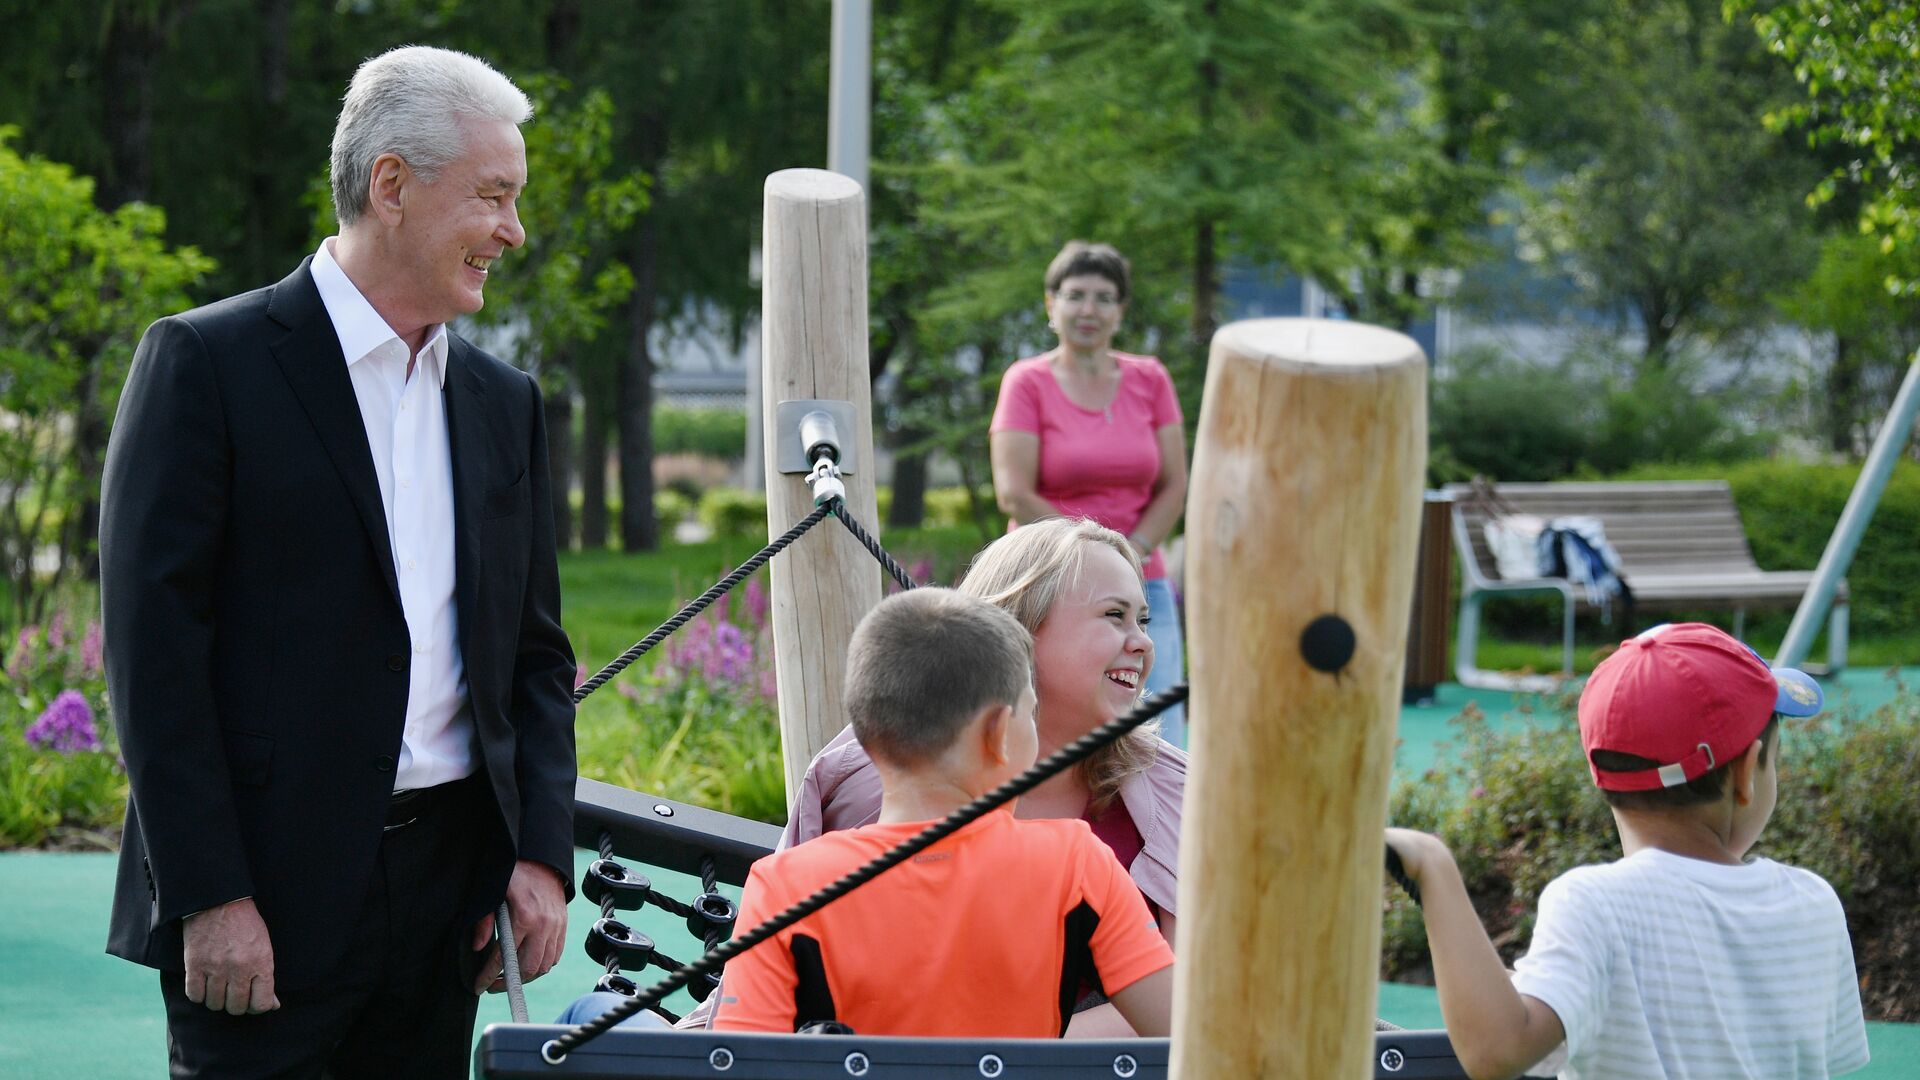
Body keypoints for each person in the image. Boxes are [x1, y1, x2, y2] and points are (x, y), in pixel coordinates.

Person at [99, 45, 576, 1077]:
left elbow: (535, 656)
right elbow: (153, 662)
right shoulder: (204, 365)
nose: (513, 230)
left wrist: (540, 854)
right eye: (494, 195)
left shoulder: (506, 405)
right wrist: (209, 894)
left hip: (449, 913)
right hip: (260, 910)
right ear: (391, 185)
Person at [1384, 623, 1869, 1080]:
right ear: (1747, 773)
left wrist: (1432, 866)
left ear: (1602, 773)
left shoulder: (1596, 907)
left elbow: (1497, 1051)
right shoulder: (1813, 902)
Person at [713, 588, 1175, 1037]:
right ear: (997, 733)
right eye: (1029, 716)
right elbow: (1187, 1037)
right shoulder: (1078, 863)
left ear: (869, 735)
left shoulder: (785, 885)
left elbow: (737, 1060)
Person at [989, 241, 1190, 745]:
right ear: (1050, 304)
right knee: (1041, 727)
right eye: (1075, 295)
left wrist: (1130, 555)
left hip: (1145, 587)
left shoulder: (1150, 379)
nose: (1088, 310)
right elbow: (1014, 493)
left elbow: (1176, 484)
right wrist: (1092, 558)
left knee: (1157, 738)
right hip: (1050, 582)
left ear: (1120, 310)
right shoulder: (1027, 382)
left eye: (1103, 297)